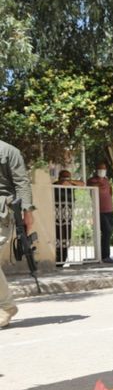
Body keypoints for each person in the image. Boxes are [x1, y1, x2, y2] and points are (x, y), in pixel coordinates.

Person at [0, 140, 34, 328]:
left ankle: (6, 307)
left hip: (2, 211)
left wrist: (27, 211)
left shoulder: (9, 151)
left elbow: (22, 182)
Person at [53, 170, 84, 266]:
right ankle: (57, 260)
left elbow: (82, 184)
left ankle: (63, 259)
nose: (66, 179)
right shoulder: (55, 185)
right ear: (59, 177)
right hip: (56, 216)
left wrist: (70, 182)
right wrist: (61, 183)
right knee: (57, 236)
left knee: (66, 236)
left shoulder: (71, 184)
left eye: (68, 177)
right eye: (64, 177)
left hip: (68, 215)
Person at [87, 162, 113, 263]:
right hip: (100, 210)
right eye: (100, 169)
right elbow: (93, 185)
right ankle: (104, 256)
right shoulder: (92, 180)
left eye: (104, 169)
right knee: (106, 231)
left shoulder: (107, 181)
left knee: (109, 231)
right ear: (96, 170)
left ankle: (105, 255)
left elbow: (110, 192)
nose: (102, 171)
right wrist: (99, 183)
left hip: (109, 210)